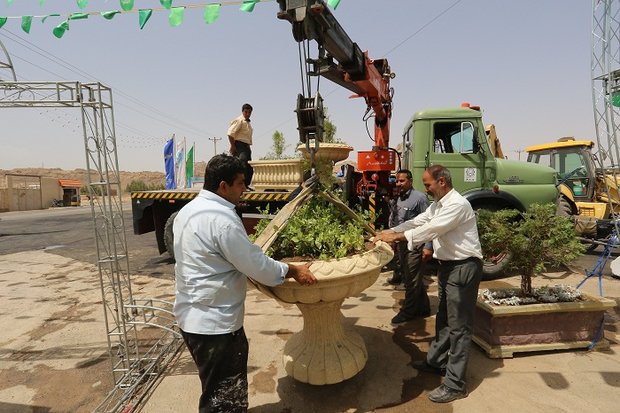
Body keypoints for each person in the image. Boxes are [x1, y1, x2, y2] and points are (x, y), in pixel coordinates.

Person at [173, 154, 317, 413]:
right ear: (223, 186)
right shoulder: (222, 220)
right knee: (224, 400)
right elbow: (256, 265)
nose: (244, 190)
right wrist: (292, 269)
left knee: (214, 389)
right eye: (240, 184)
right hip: (216, 328)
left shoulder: (188, 211)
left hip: (191, 320)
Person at [374, 165, 483, 403]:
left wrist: (397, 237)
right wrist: (390, 230)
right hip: (448, 268)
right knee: (443, 319)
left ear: (441, 181)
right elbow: (418, 221)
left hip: (463, 268)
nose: (426, 189)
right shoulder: (438, 205)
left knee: (459, 328)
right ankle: (436, 362)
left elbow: (431, 229)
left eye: (428, 184)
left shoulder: (456, 205)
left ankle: (455, 384)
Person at [387, 169, 432, 324]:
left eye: (402, 181)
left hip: (415, 244)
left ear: (410, 181)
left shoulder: (420, 198)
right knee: (410, 277)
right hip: (401, 244)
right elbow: (396, 219)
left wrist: (428, 246)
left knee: (411, 280)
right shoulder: (398, 198)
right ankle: (424, 307)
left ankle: (408, 312)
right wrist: (392, 238)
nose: (398, 184)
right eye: (397, 181)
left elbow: (429, 223)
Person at [227, 103, 254, 188]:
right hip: (239, 146)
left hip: (246, 146)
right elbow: (230, 134)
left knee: (249, 167)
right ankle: (239, 186)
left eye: (249, 112)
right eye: (246, 112)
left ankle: (245, 185)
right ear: (242, 111)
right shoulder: (239, 120)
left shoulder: (248, 123)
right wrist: (232, 146)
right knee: (242, 165)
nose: (247, 114)